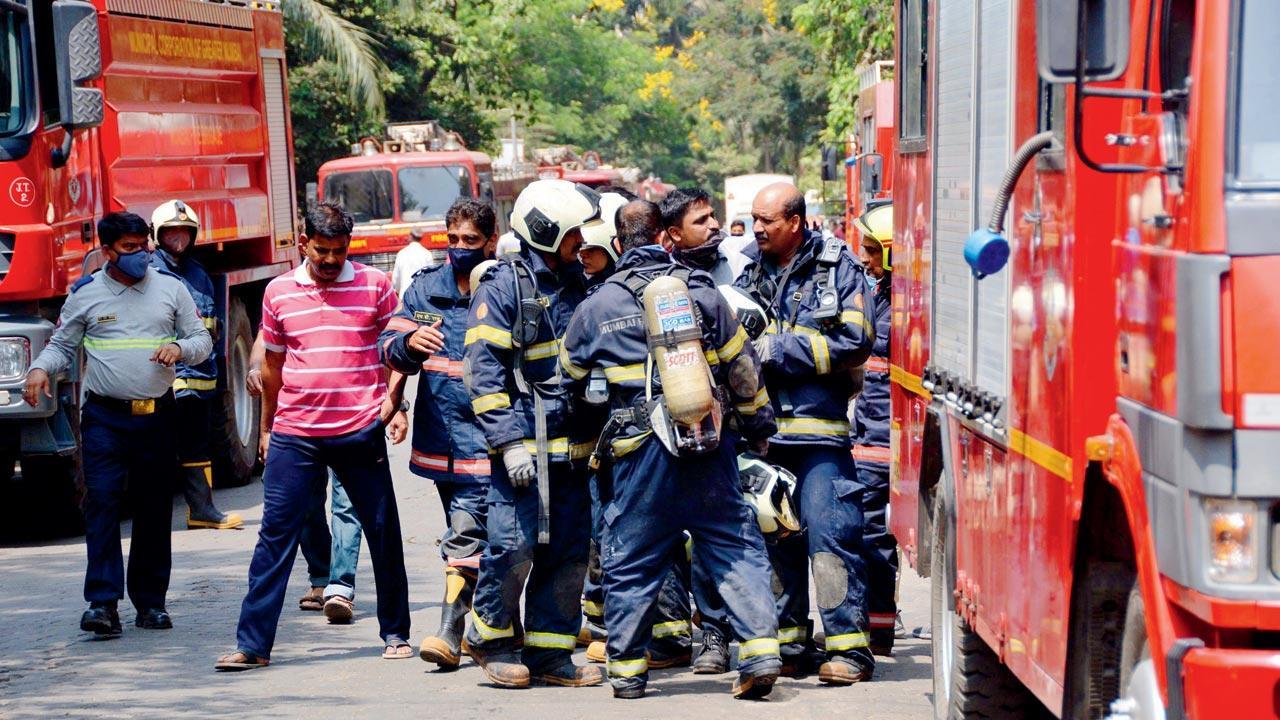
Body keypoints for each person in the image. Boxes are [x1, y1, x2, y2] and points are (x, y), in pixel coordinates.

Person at [560, 199, 782, 700]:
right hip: (709, 446)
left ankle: (629, 673)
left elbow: (566, 381)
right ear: (665, 236)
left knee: (632, 559)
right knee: (734, 545)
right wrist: (758, 426)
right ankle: (761, 651)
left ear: (618, 245)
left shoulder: (597, 306)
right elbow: (742, 371)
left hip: (640, 456)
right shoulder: (701, 291)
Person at [215, 202, 413, 671]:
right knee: (274, 538)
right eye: (321, 251)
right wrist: (265, 429)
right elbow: (273, 366)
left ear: (350, 247)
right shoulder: (279, 292)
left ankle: (396, 632)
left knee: (383, 531)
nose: (328, 260)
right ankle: (253, 645)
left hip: (358, 431)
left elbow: (399, 345)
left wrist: (393, 403)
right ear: (304, 244)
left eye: (338, 252)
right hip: (295, 435)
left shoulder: (375, 285)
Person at [24, 211, 212, 636]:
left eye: (144, 245)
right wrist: (39, 370)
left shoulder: (172, 289)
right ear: (107, 252)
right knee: (103, 503)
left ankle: (151, 604)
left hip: (157, 416)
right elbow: (62, 345)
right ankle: (103, 604)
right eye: (129, 249)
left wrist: (179, 348)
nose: (141, 255)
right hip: (105, 419)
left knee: (152, 506)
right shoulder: (86, 294)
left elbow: (202, 342)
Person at [460, 179, 601, 688]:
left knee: (567, 553)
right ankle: (489, 640)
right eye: (573, 235)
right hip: (523, 450)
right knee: (513, 547)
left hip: (573, 451)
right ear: (546, 232)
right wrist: (508, 441)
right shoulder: (504, 288)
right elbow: (482, 373)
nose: (581, 243)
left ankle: (550, 655)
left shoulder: (580, 284)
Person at [734, 182, 876, 685]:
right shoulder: (750, 272)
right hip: (765, 437)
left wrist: (779, 350)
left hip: (820, 439)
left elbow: (856, 340)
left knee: (831, 540)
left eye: (766, 221)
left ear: (794, 221)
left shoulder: (838, 268)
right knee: (775, 543)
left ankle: (849, 651)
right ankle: (789, 646)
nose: (756, 230)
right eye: (753, 219)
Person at [380, 198, 500, 668]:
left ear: (490, 241)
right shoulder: (424, 289)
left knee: (470, 532)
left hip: (493, 438)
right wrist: (408, 346)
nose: (459, 249)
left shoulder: (505, 286)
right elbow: (389, 347)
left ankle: (453, 630)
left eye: (470, 241)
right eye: (452, 240)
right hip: (442, 441)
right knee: (467, 532)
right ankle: (482, 627)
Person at [246, 334, 406, 621]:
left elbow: (386, 348)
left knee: (347, 506)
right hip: (299, 430)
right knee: (307, 508)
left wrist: (396, 406)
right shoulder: (289, 291)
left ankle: (340, 587)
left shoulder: (365, 290)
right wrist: (254, 369)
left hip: (353, 425)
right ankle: (321, 575)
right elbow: (265, 344)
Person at [147, 200, 243, 531]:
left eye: (185, 232)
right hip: (165, 379)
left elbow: (209, 327)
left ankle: (201, 511)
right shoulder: (149, 275)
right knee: (158, 449)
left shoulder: (198, 274)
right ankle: (156, 516)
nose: (179, 237)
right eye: (171, 231)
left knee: (196, 445)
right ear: (158, 234)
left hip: (199, 378)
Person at [851, 203, 900, 654]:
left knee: (871, 534)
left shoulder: (898, 303)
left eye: (870, 250)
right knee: (871, 533)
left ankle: (878, 629)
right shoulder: (885, 292)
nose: (864, 258)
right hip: (873, 431)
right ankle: (877, 626)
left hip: (882, 440)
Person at [659, 187, 748, 286]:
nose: (714, 225)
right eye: (701, 221)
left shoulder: (742, 252)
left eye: (712, 216)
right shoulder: (666, 279)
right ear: (675, 233)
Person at [391, 227, 437, 296]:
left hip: (405, 296)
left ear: (410, 236)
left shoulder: (401, 253)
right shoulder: (427, 254)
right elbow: (431, 278)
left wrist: (398, 290)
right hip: (421, 297)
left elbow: (395, 280)